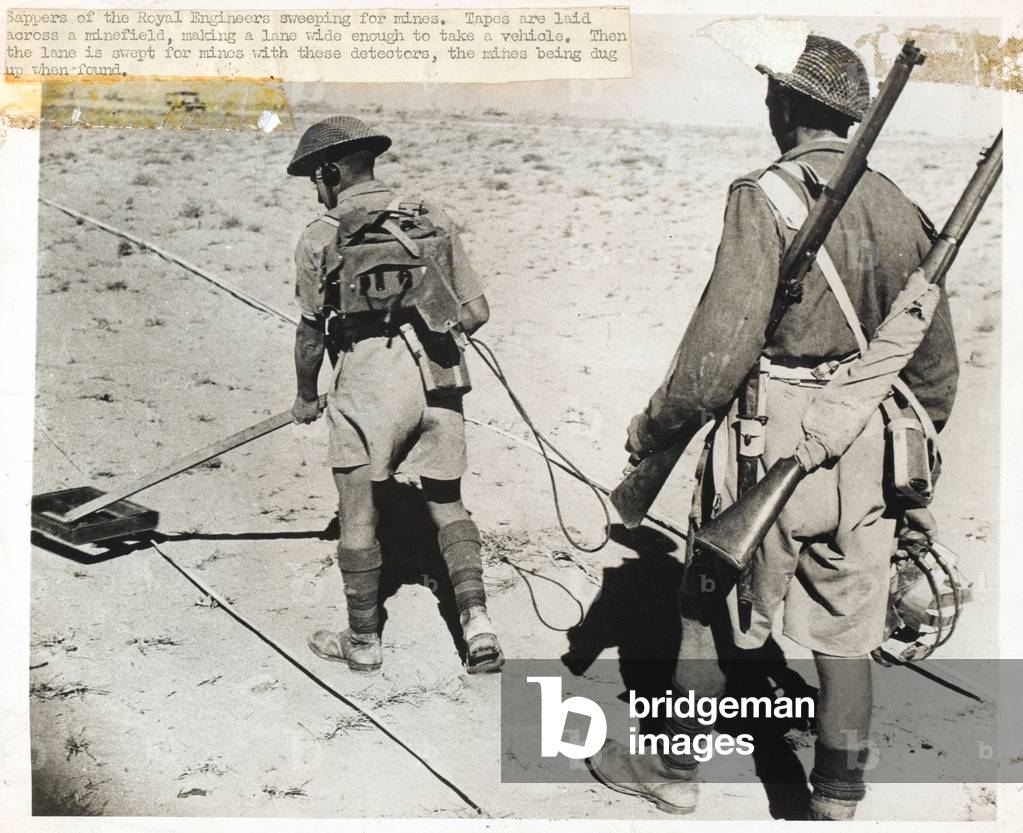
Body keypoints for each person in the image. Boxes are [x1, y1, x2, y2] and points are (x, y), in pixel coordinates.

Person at [588, 36, 958, 819]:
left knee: (706, 603)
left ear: (786, 108)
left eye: (773, 97)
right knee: (846, 633)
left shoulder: (765, 196)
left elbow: (716, 356)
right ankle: (835, 797)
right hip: (865, 440)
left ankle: (672, 768)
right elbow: (931, 367)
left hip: (769, 439)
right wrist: (906, 464)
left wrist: (656, 427)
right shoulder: (901, 206)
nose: (767, 106)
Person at [288, 115, 503, 674]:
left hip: (367, 383)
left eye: (316, 177)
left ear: (332, 171)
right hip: (438, 373)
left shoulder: (319, 236)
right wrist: (426, 330)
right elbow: (476, 312)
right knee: (446, 501)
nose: (316, 188)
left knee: (358, 513)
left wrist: (306, 397)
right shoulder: (430, 217)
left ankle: (363, 643)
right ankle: (479, 627)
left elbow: (312, 332)